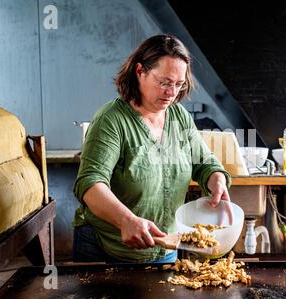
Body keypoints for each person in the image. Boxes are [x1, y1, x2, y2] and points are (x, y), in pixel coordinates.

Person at [72, 34, 232, 263]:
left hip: (164, 247)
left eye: (179, 84)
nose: (172, 92)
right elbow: (90, 184)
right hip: (108, 249)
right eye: (164, 82)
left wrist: (216, 178)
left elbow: (204, 162)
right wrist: (126, 220)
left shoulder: (179, 117)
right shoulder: (111, 120)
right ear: (140, 72)